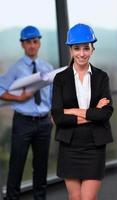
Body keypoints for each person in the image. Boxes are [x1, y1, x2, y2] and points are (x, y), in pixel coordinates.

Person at [51, 23, 113, 200]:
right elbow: (58, 117)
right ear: (70, 50)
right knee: (75, 197)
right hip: (69, 144)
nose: (82, 53)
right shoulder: (60, 79)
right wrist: (91, 112)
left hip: (95, 144)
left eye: (86, 48)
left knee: (87, 198)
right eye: (77, 48)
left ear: (93, 49)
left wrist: (72, 111)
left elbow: (106, 113)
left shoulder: (102, 77)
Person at [0, 25, 53, 200]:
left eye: (35, 41)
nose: (32, 45)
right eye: (28, 42)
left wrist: (52, 114)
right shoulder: (16, 68)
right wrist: (18, 99)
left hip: (44, 123)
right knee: (17, 165)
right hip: (23, 122)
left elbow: (51, 95)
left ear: (39, 44)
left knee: (41, 167)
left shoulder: (47, 67)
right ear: (22, 45)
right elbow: (1, 90)